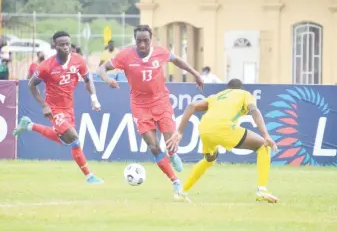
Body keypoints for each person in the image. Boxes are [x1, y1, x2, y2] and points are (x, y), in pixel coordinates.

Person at [97, 25, 204, 196]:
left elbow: (177, 60)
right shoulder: (125, 55)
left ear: (150, 40)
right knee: (153, 146)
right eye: (139, 41)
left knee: (171, 144)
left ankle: (172, 154)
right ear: (135, 40)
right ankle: (175, 181)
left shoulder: (160, 52)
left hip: (161, 102)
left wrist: (196, 73)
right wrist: (106, 78)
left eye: (145, 40)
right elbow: (101, 68)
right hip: (140, 106)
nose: (142, 44)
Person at [166, 79, 279, 203]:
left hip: (204, 128)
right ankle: (262, 190)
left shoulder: (217, 96)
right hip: (224, 127)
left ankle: (182, 192)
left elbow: (192, 106)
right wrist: (265, 134)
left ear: (227, 88)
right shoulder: (244, 94)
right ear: (240, 88)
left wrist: (179, 131)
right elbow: (254, 110)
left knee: (209, 160)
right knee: (263, 146)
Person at [13, 31, 104, 184]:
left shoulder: (78, 61)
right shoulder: (46, 66)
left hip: (69, 108)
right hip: (54, 109)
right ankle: (89, 176)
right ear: (54, 46)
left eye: (68, 44)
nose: (65, 47)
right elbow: (31, 85)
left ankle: (29, 125)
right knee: (74, 139)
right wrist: (44, 105)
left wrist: (94, 99)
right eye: (61, 44)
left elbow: (88, 80)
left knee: (65, 141)